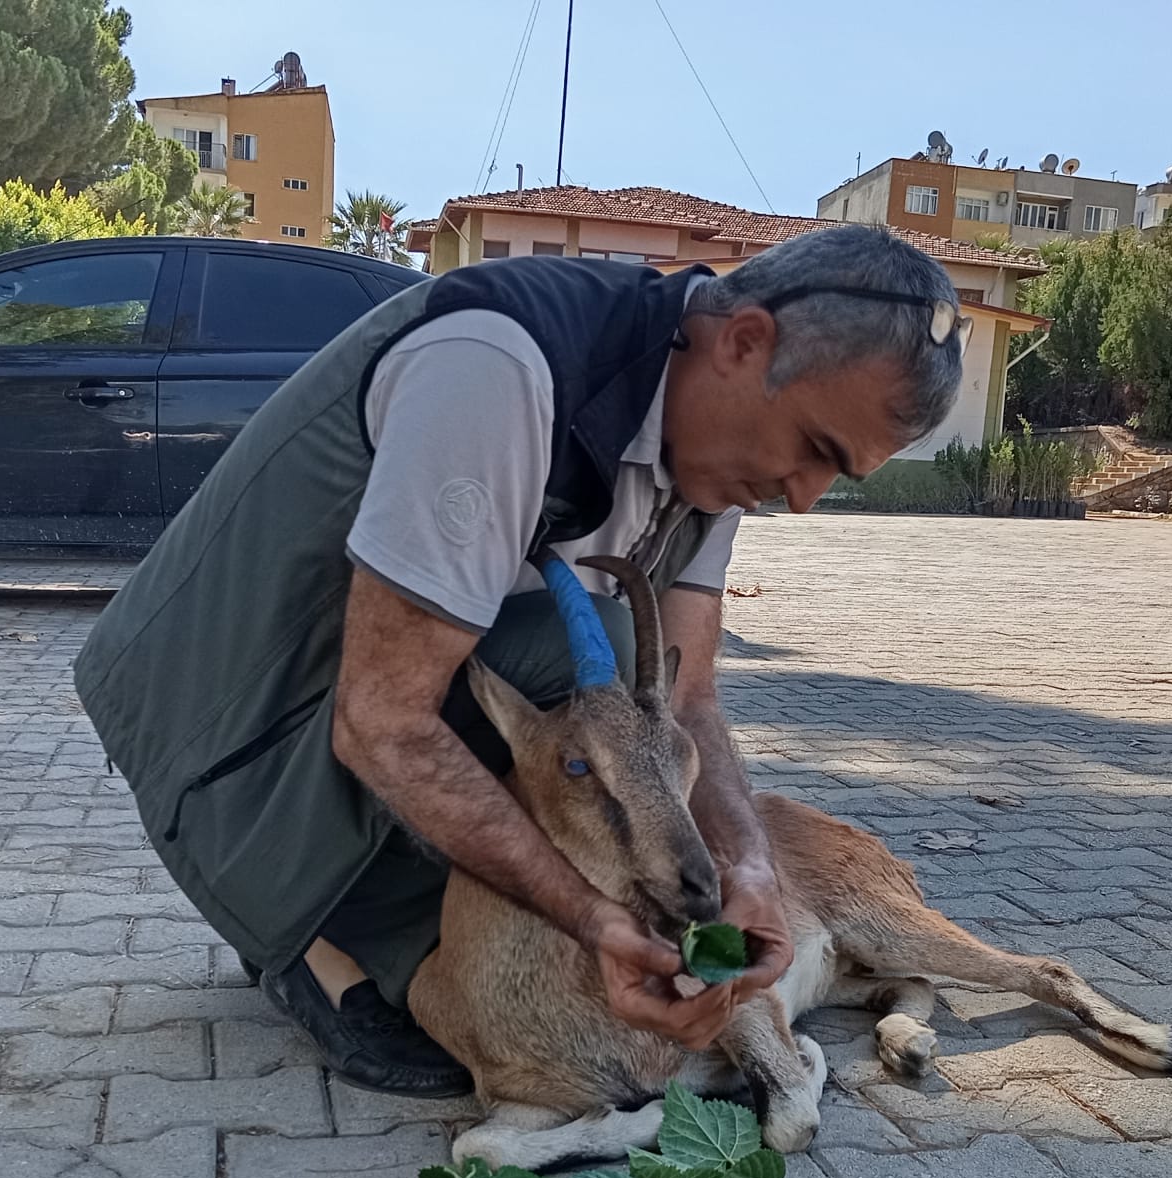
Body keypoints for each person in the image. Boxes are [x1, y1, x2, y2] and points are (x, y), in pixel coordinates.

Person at [74, 223, 967, 1096]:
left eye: (837, 475)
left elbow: (688, 699)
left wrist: (751, 870)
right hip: (214, 725)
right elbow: (384, 721)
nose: (805, 499)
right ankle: (311, 930)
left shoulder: (718, 455)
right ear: (743, 340)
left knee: (622, 679)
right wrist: (594, 919)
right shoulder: (500, 371)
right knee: (589, 653)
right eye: (814, 450)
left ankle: (372, 894)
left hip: (366, 690)